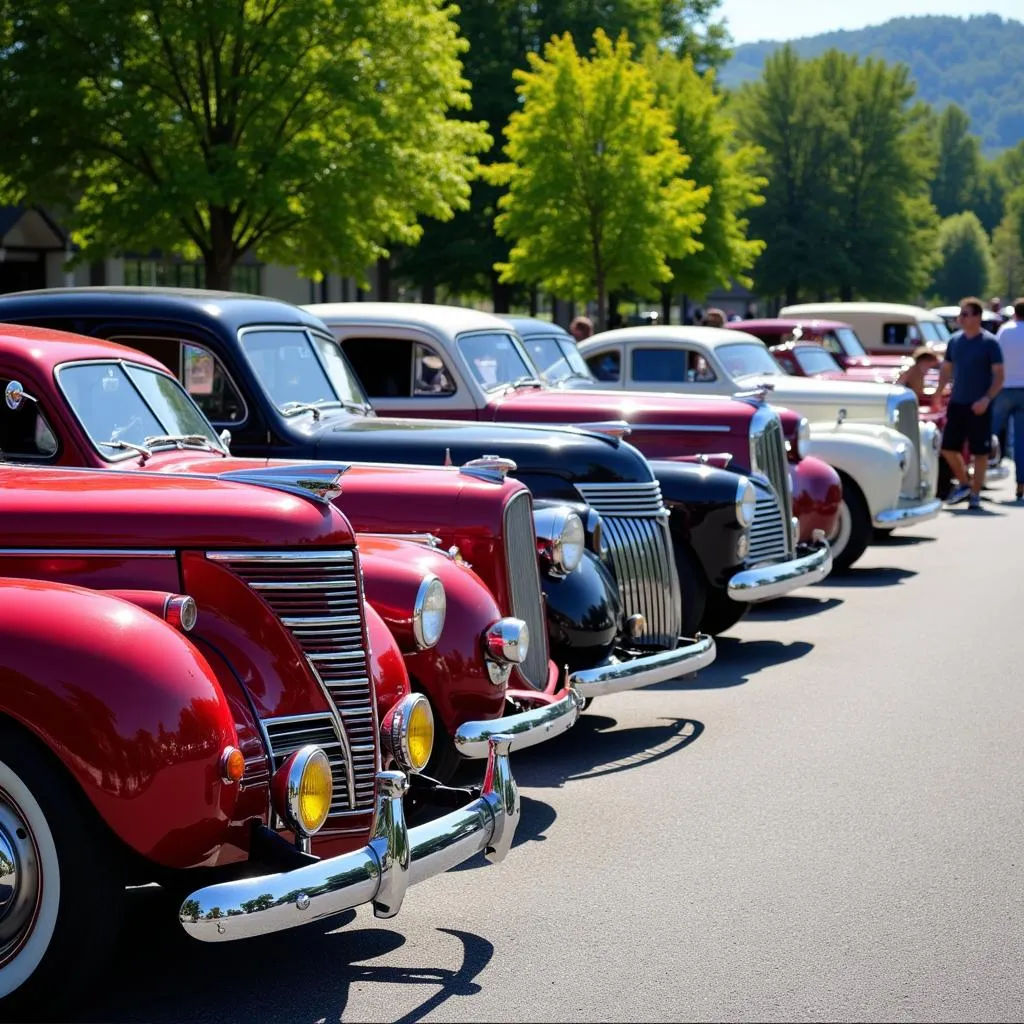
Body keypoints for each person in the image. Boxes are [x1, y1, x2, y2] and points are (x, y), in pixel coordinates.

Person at [938, 296, 1005, 509]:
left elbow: (999, 376)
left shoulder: (990, 343)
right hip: (957, 402)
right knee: (948, 448)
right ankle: (965, 483)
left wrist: (986, 399)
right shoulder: (955, 341)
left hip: (979, 405)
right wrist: (939, 393)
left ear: (977, 317)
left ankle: (975, 494)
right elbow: (946, 368)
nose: (961, 318)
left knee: (980, 451)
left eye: (965, 314)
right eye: (960, 314)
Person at [994, 297, 1024, 500]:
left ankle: (979, 472)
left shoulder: (1005, 330)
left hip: (1005, 388)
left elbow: (996, 358)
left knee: (991, 432)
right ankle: (1021, 482)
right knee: (1021, 439)